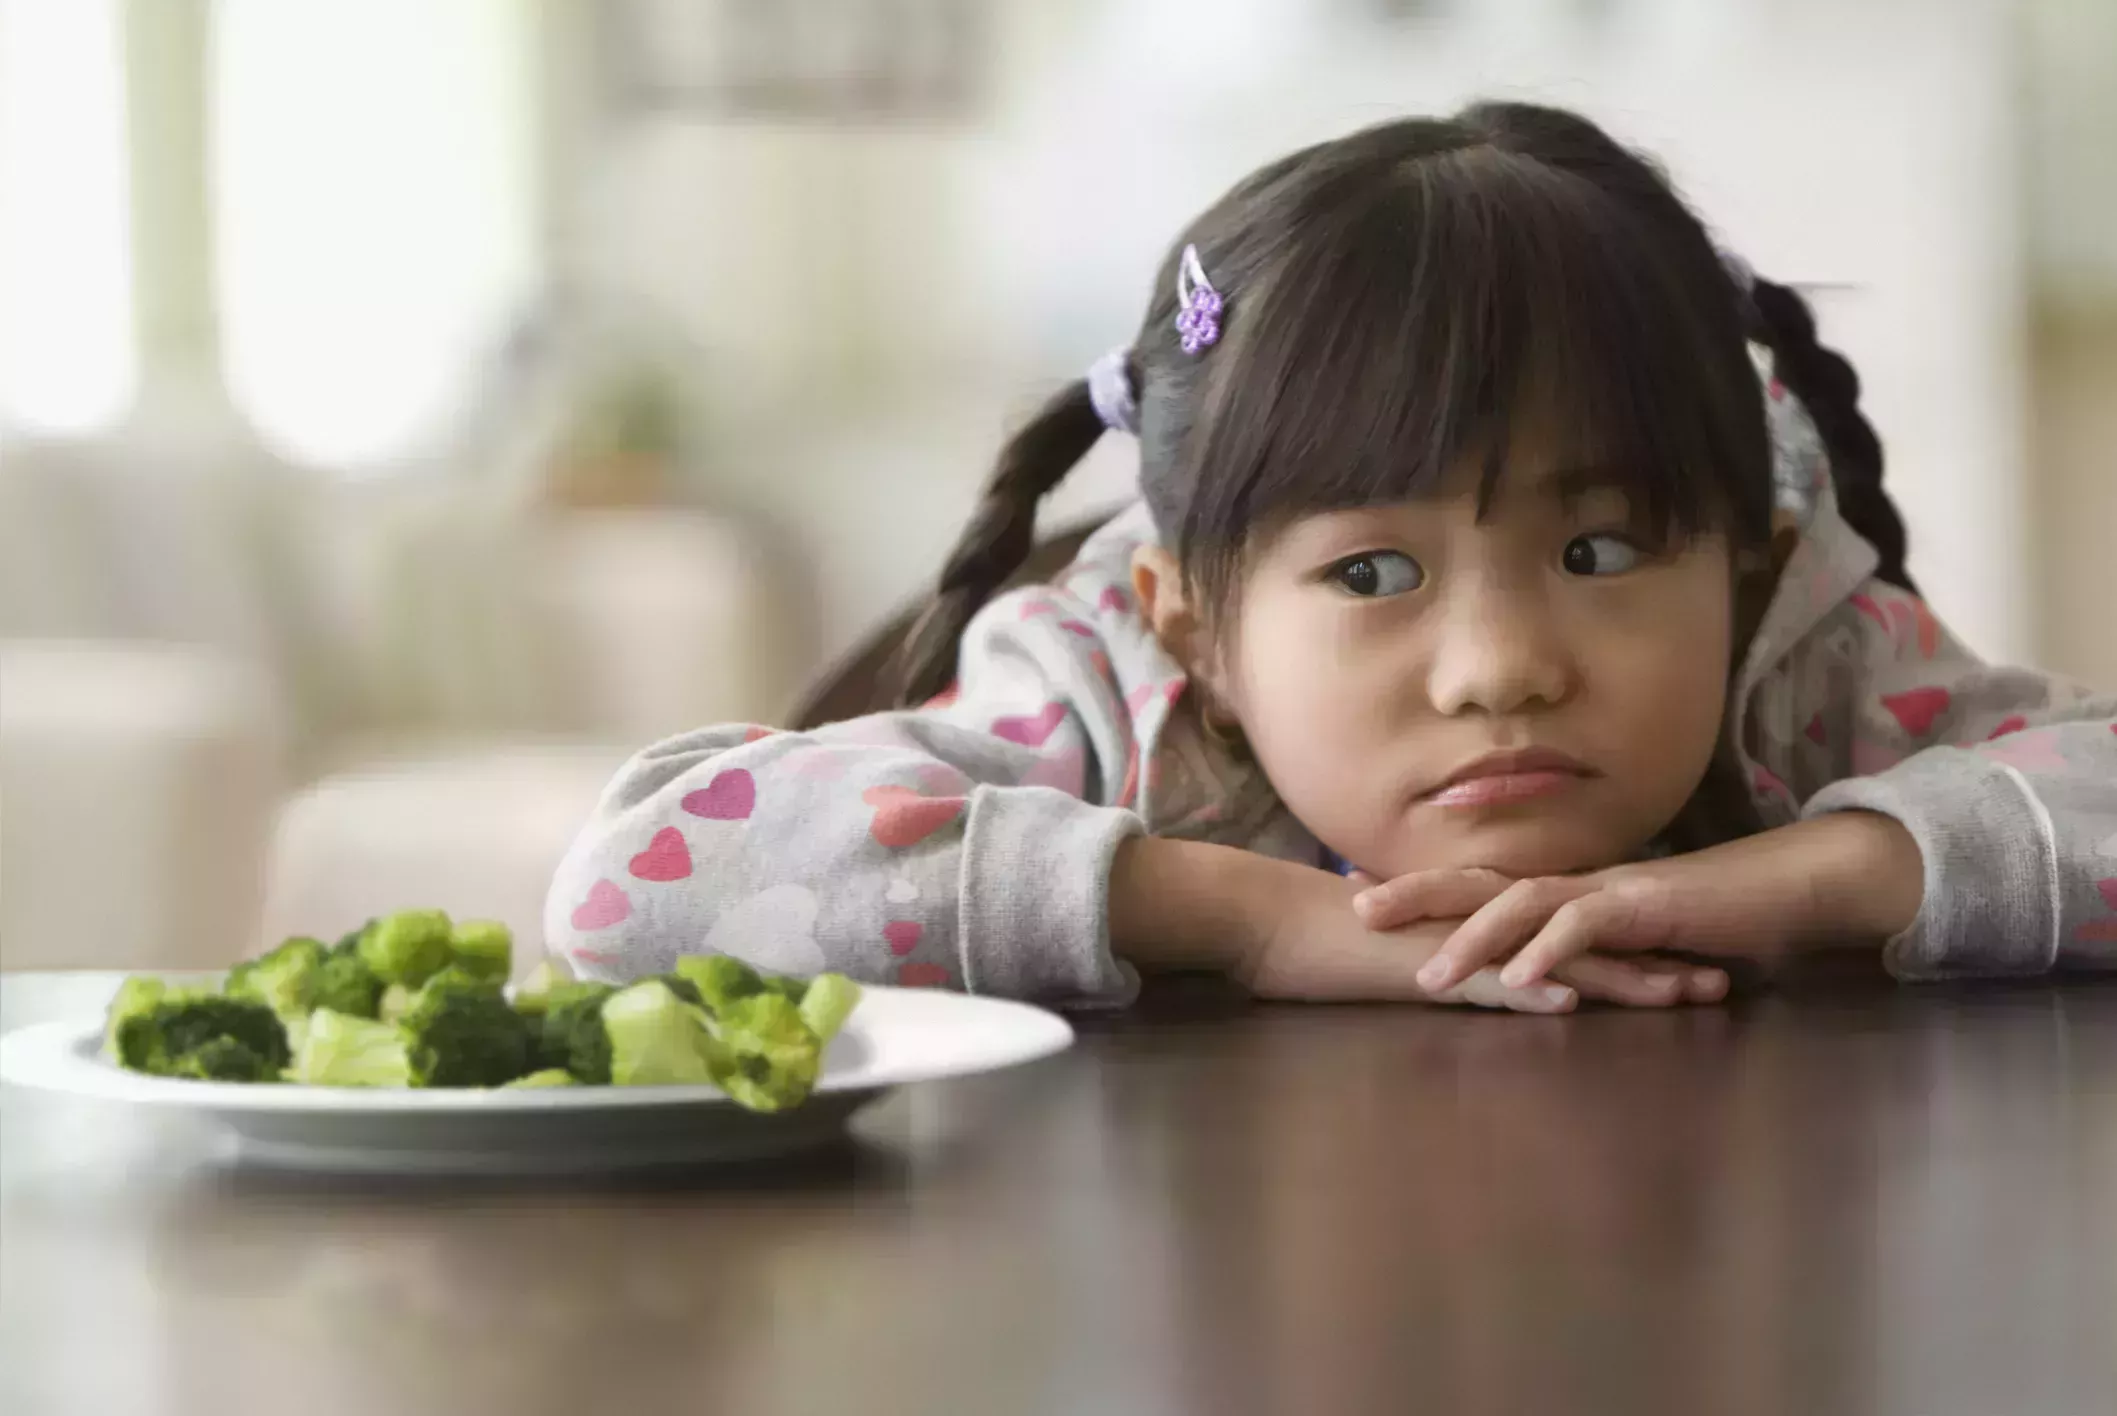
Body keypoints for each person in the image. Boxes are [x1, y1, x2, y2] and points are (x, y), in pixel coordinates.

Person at [546, 102, 2117, 1013]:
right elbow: (630, 889)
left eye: (1599, 544)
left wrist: (1812, 880)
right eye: (1374, 574)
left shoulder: (1805, 663)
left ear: (1751, 571)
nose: (1504, 665)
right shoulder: (1115, 705)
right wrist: (1243, 920)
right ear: (1200, 628)